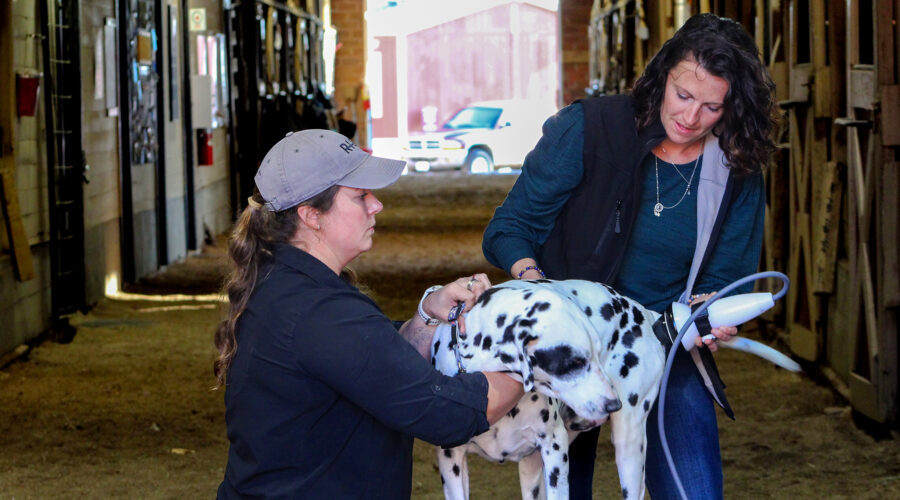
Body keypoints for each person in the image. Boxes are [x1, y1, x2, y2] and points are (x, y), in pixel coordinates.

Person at [482, 13, 778, 500]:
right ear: (662, 76)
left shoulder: (735, 166)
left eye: (711, 107)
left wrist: (710, 313)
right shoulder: (589, 128)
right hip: (572, 344)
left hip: (666, 342)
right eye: (683, 96)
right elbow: (508, 229)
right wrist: (538, 288)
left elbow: (728, 276)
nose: (690, 117)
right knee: (562, 490)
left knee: (695, 490)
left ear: (732, 109)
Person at [214, 129, 524, 499]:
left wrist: (428, 315)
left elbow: (377, 369)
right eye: (360, 195)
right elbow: (446, 413)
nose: (376, 205)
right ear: (311, 215)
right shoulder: (321, 312)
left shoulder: (286, 285)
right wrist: (532, 353)